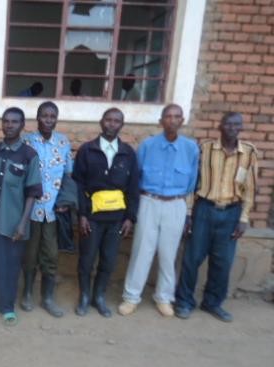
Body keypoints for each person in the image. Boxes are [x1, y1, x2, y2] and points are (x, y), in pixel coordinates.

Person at [175, 112, 258, 322]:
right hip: (204, 209)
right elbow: (192, 183)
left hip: (231, 213)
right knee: (192, 258)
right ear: (220, 126)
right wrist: (188, 213)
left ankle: (212, 303)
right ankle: (184, 302)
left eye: (236, 124)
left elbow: (249, 189)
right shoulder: (205, 149)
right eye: (228, 124)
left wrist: (243, 219)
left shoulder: (248, 152)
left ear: (241, 128)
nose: (232, 128)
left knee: (223, 262)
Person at [118, 104, 199, 317]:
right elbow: (137, 177)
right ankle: (131, 297)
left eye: (176, 116)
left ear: (182, 121)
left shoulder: (190, 149)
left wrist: (188, 212)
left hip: (176, 204)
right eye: (168, 116)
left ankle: (164, 297)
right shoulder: (148, 145)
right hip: (149, 201)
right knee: (141, 251)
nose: (172, 120)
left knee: (168, 253)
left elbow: (192, 183)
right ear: (161, 121)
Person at [0, 107, 42, 326]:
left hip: (13, 222)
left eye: (14, 121)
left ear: (22, 125)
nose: (9, 125)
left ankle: (7, 306)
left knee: (10, 266)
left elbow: (32, 192)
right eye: (6, 121)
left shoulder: (29, 155)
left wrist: (23, 223)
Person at [72, 108, 139, 317]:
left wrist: (130, 217)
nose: (112, 124)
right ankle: (84, 295)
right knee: (86, 259)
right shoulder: (87, 150)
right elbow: (78, 184)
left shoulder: (128, 153)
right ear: (101, 122)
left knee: (109, 260)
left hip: (117, 219)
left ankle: (98, 296)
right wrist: (82, 215)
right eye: (108, 120)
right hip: (92, 218)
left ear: (122, 125)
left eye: (116, 121)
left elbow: (133, 186)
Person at [21, 101, 73, 318]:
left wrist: (65, 201)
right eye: (44, 116)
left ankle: (48, 298)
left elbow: (68, 175)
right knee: (30, 254)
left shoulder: (63, 142)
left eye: (52, 116)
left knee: (50, 255)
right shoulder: (27, 141)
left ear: (56, 119)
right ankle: (27, 294)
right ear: (37, 118)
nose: (48, 120)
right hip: (31, 210)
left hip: (53, 212)